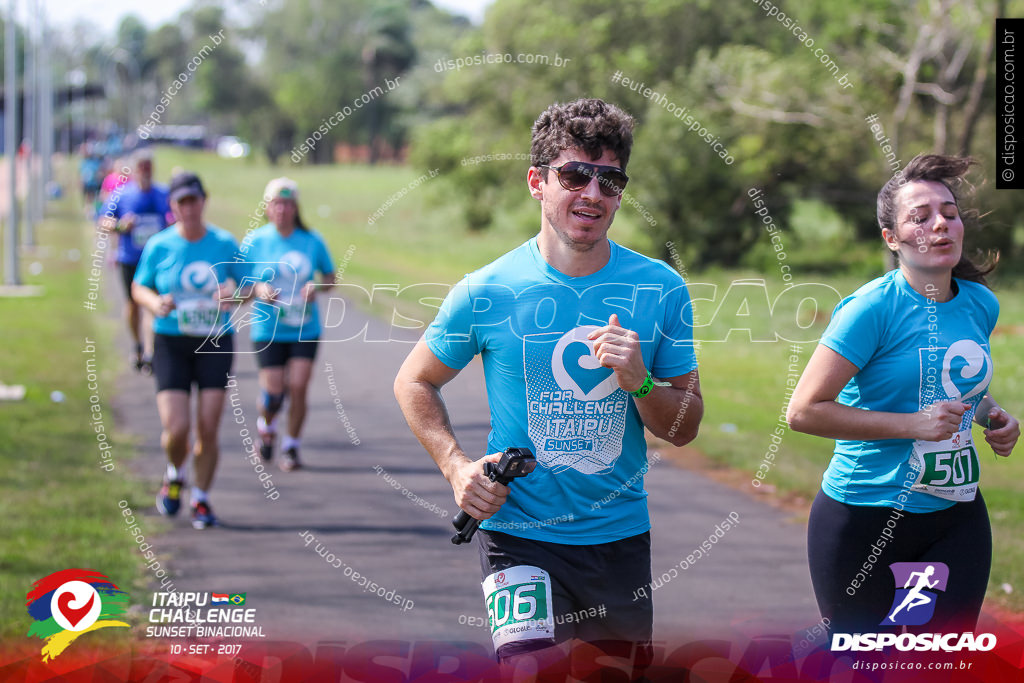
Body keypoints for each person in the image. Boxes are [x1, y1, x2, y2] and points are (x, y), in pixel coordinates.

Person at [394, 98, 703, 669]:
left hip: (618, 539)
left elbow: (684, 427)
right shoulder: (488, 289)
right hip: (517, 535)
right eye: (574, 175)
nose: (592, 193)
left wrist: (639, 382)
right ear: (537, 181)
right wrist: (457, 467)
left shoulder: (660, 289)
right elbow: (414, 381)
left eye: (609, 180)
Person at [787, 154, 1020, 635]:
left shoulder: (980, 303)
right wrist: (912, 425)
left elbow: (961, 384)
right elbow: (804, 411)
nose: (941, 225)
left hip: (955, 514)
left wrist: (993, 415)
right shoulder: (870, 310)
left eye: (950, 214)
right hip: (864, 515)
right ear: (891, 239)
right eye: (921, 217)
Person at [132, 172, 248, 529]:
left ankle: (201, 499)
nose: (189, 208)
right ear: (173, 207)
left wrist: (235, 294)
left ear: (204, 200)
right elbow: (139, 287)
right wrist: (155, 303)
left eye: (193, 200)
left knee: (208, 427)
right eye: (181, 202)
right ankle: (174, 474)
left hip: (214, 342)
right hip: (171, 342)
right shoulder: (160, 245)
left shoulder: (224, 243)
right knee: (178, 427)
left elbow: (249, 288)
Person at [241, 177, 335, 471]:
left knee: (298, 386)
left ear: (296, 208)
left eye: (288, 204)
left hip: (304, 327)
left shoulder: (312, 240)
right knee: (274, 394)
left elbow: (330, 279)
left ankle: (291, 446)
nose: (282, 210)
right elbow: (240, 289)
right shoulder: (254, 241)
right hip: (267, 328)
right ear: (267, 208)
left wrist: (316, 288)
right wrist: (259, 290)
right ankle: (266, 427)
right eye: (276, 204)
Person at [99, 150, 171, 373]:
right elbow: (103, 221)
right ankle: (138, 345)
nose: (146, 172)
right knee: (133, 304)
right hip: (130, 258)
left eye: (149, 167)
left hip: (158, 261)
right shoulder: (121, 195)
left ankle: (151, 352)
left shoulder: (163, 194)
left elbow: (175, 219)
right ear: (135, 170)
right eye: (142, 167)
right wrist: (121, 226)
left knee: (153, 303)